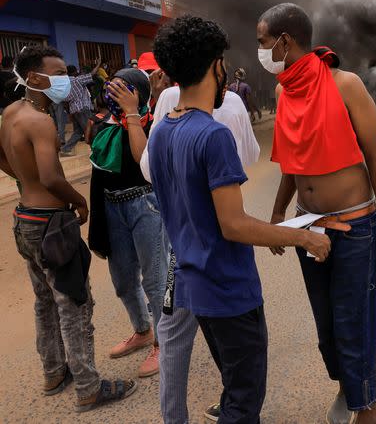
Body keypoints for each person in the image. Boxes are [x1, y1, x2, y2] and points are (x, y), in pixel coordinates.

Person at [146, 15, 327, 423]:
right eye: (223, 61)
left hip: (195, 288)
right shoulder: (212, 136)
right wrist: (304, 238)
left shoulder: (161, 131)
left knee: (234, 387)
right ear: (215, 65)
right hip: (229, 292)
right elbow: (234, 225)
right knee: (244, 401)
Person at [261, 3, 376, 424]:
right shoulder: (282, 90)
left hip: (355, 226)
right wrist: (277, 217)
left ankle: (368, 409)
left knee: (353, 320)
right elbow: (292, 162)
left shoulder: (346, 85)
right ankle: (350, 386)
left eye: (263, 42)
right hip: (308, 225)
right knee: (327, 326)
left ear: (284, 42)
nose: (262, 49)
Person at [0, 45, 137, 411]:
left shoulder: (12, 113)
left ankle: (53, 372)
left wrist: (21, 176)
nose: (65, 80)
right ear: (33, 78)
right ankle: (89, 387)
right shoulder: (41, 120)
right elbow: (50, 176)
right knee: (75, 305)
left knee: (44, 301)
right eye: (57, 73)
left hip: (24, 218)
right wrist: (79, 200)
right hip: (51, 223)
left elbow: (6, 157)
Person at [141, 81, 259, 424]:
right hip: (226, 259)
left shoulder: (165, 115)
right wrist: (300, 237)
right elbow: (247, 160)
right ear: (214, 66)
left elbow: (148, 170)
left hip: (180, 252)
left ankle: (175, 418)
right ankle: (232, 405)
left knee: (172, 334)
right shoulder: (227, 113)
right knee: (238, 350)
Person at [87, 68, 166, 378]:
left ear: (138, 93)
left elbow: (142, 159)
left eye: (123, 87)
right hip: (113, 209)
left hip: (145, 205)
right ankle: (142, 330)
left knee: (154, 281)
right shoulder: (102, 124)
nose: (114, 93)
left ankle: (163, 343)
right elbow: (96, 178)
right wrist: (98, 229)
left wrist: (133, 113)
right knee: (122, 281)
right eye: (113, 87)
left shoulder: (154, 123)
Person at [61, 63, 102, 156]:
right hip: (83, 109)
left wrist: (69, 112)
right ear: (75, 72)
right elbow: (92, 74)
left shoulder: (65, 84)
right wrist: (98, 63)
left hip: (74, 110)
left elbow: (64, 100)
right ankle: (96, 151)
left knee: (78, 132)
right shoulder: (77, 80)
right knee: (91, 130)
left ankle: (65, 149)